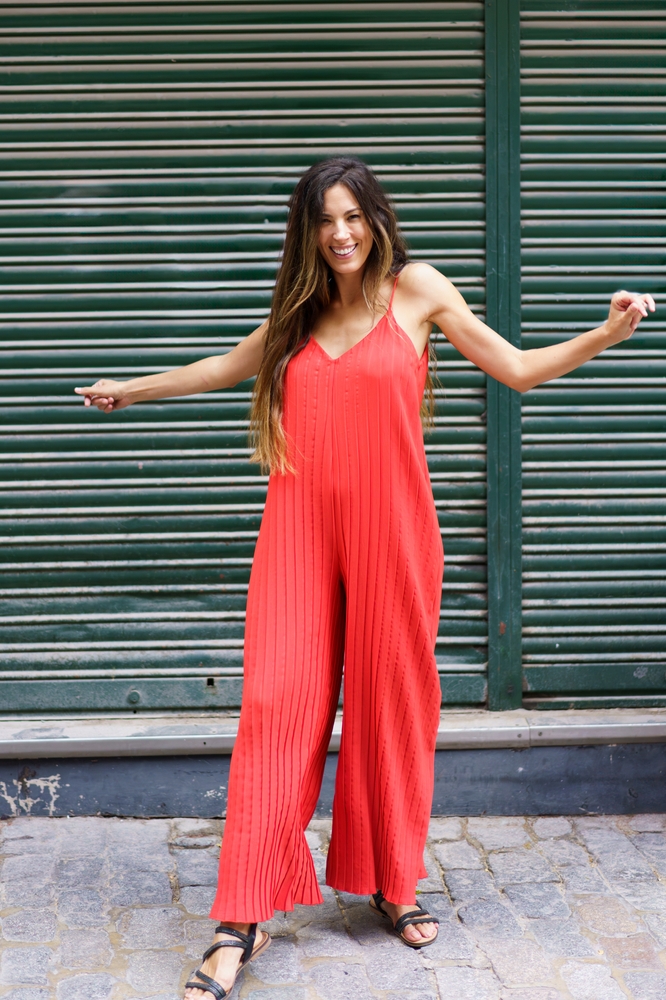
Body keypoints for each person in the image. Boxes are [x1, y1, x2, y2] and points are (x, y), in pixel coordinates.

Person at [75, 157, 655, 1000]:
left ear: (376, 219)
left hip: (394, 536)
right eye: (324, 220)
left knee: (392, 708)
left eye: (353, 215)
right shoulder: (299, 313)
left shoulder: (418, 290)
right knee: (276, 707)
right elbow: (223, 367)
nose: (340, 233)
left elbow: (519, 369)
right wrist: (131, 389)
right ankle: (242, 917)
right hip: (298, 538)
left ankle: (393, 883)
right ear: (307, 233)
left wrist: (608, 332)